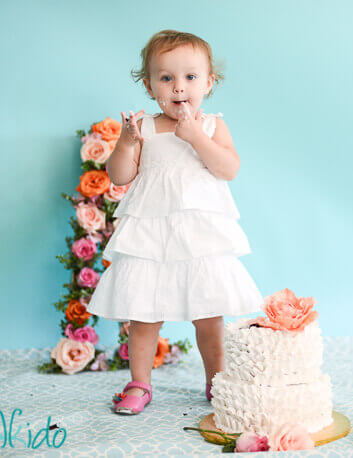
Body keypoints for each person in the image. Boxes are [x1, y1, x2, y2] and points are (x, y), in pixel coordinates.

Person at [86, 29, 263, 415]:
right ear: (150, 86)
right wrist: (126, 142)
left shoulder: (213, 126)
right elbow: (119, 176)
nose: (178, 87)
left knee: (208, 315)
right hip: (152, 237)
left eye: (190, 77)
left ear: (209, 83)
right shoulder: (145, 128)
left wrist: (196, 136)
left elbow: (228, 168)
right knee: (144, 315)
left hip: (200, 238)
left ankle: (215, 381)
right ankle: (139, 382)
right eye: (166, 78)